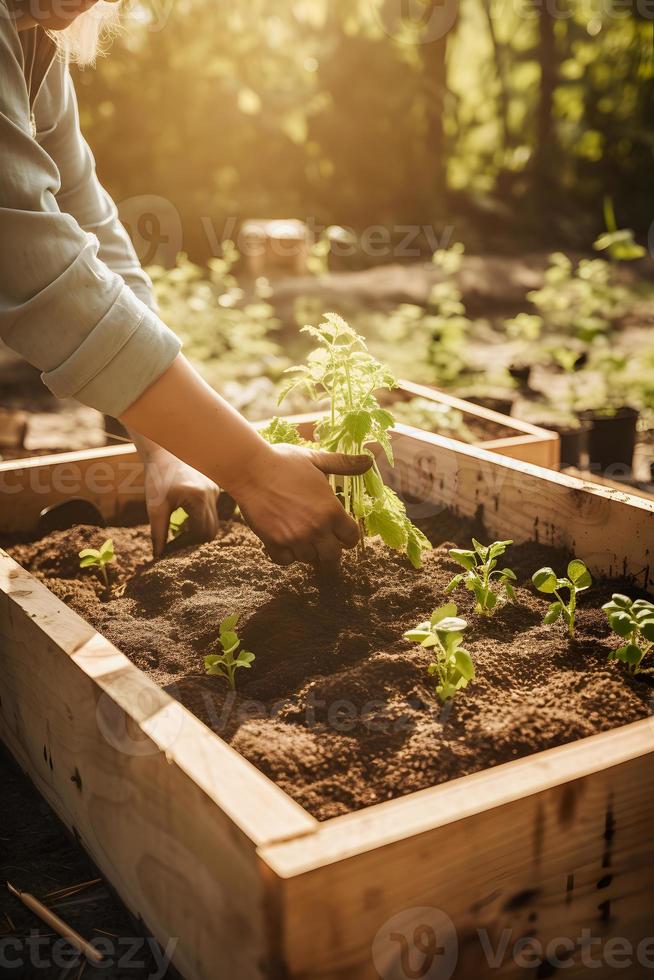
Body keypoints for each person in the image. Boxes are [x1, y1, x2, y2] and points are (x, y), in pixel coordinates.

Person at [0, 0, 371, 564]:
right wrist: (253, 470)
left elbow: (91, 228)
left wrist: (166, 448)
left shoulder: (35, 45)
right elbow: (35, 263)